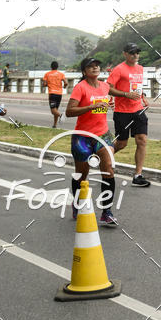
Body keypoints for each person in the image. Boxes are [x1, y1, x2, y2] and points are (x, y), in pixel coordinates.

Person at [65, 57, 118, 226]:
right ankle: (77, 203)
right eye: (91, 66)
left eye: (97, 65)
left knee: (108, 170)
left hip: (102, 134)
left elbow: (109, 98)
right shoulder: (80, 88)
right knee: (82, 174)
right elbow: (69, 111)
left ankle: (107, 212)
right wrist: (89, 107)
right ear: (84, 71)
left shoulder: (104, 86)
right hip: (82, 137)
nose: (95, 68)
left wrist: (111, 103)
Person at [107, 43, 151, 187]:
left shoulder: (140, 68)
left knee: (142, 140)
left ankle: (138, 175)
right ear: (125, 54)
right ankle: (102, 157)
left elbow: (137, 86)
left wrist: (143, 96)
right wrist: (126, 94)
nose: (135, 55)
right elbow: (109, 88)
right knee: (121, 143)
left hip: (138, 110)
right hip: (122, 112)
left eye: (137, 52)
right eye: (132, 52)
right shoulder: (119, 69)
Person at [42, 61, 67, 128]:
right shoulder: (61, 74)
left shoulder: (47, 74)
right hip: (59, 94)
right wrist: (64, 86)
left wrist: (47, 84)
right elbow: (66, 82)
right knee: (56, 109)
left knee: (53, 110)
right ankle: (54, 125)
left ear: (51, 66)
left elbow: (44, 84)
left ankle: (61, 115)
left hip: (52, 93)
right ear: (57, 67)